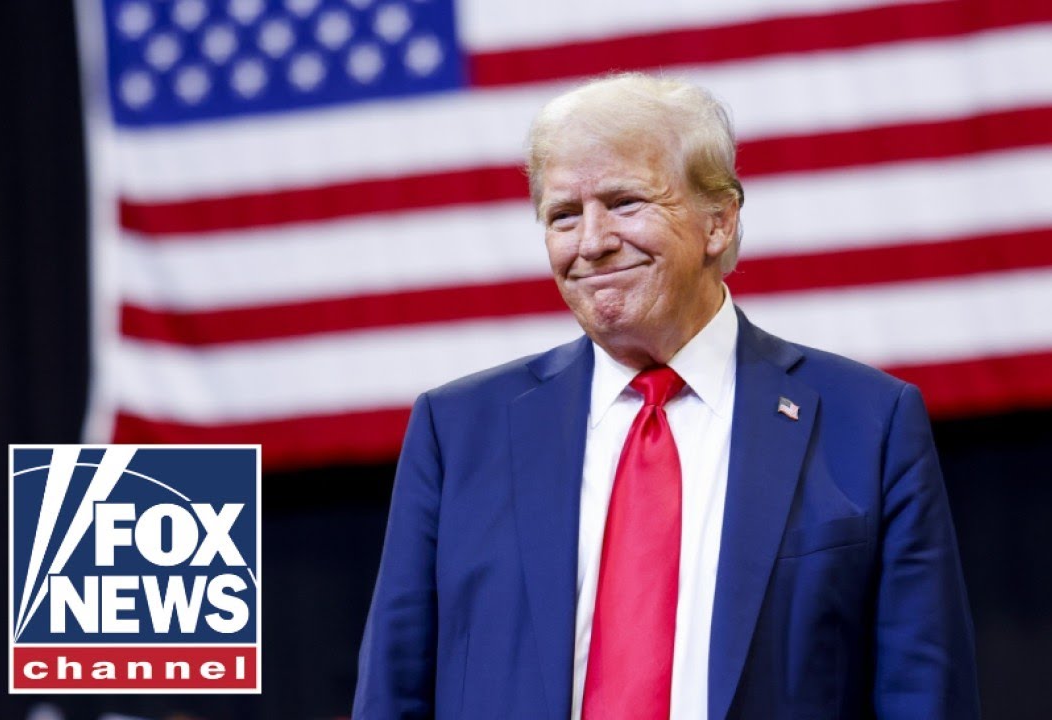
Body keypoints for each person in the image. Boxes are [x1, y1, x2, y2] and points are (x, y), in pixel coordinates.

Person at [353, 72, 978, 719]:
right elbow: (393, 694)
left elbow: (925, 698)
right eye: (564, 215)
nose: (591, 243)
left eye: (624, 203)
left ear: (719, 220)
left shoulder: (869, 423)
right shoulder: (455, 433)